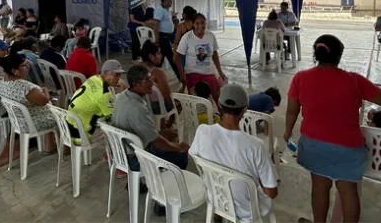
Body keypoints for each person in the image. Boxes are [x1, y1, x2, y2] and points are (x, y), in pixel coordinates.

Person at [284, 34, 381, 222]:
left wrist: (287, 131)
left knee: (319, 188)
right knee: (348, 191)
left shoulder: (300, 78)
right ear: (339, 57)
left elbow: (291, 111)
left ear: (316, 54)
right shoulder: (354, 80)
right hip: (347, 148)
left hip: (313, 145)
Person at [189, 84, 278, 221]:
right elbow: (271, 192)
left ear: (219, 104)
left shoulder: (202, 131)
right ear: (245, 110)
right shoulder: (256, 146)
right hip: (247, 210)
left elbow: (196, 158)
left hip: (217, 198)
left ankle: (218, 215)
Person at [112, 64, 189, 170]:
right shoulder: (137, 107)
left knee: (168, 143)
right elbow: (155, 141)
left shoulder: (122, 97)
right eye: (147, 80)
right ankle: (169, 184)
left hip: (121, 153)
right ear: (135, 84)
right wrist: (178, 147)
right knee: (181, 155)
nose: (152, 83)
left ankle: (139, 183)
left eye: (151, 79)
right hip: (135, 159)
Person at [66, 60, 124, 142]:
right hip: (80, 135)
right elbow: (114, 118)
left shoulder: (93, 78)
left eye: (120, 75)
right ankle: (109, 153)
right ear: (106, 73)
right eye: (116, 75)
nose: (119, 79)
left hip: (68, 126)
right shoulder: (104, 94)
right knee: (117, 128)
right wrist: (124, 94)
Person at [0, 54, 56, 131]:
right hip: (32, 123)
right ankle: (52, 141)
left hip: (17, 121)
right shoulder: (26, 88)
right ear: (14, 71)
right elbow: (45, 101)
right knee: (61, 115)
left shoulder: (3, 82)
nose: (28, 67)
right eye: (24, 65)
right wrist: (45, 90)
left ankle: (48, 141)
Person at [176, 13, 226, 102]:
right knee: (196, 100)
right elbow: (177, 57)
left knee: (216, 95)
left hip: (208, 72)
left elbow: (214, 55)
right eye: (197, 23)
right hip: (192, 73)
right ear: (193, 24)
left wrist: (220, 72)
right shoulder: (187, 37)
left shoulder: (210, 36)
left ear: (205, 23)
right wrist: (182, 74)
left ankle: (219, 113)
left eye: (202, 23)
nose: (200, 26)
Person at [140, 40, 175, 115]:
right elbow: (167, 96)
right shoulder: (158, 72)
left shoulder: (137, 68)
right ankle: (168, 124)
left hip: (142, 104)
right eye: (158, 53)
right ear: (151, 56)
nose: (161, 56)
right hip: (155, 108)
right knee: (179, 103)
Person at [153, 0, 179, 77]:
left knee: (162, 59)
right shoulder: (159, 10)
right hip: (163, 37)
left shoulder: (167, 10)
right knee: (171, 58)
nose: (171, 2)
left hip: (168, 36)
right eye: (170, 0)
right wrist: (156, 40)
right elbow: (156, 25)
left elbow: (167, 22)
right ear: (165, 0)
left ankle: (154, 76)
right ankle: (180, 77)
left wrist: (174, 18)